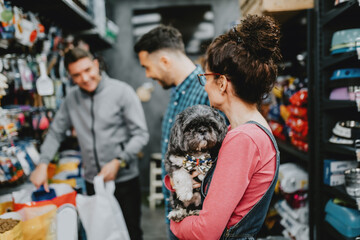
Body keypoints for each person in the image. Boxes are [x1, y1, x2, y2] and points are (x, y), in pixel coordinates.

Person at [169, 15, 281, 239]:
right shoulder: (247, 130)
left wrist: (174, 224)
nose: (205, 85)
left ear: (221, 83)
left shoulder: (243, 139)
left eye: (206, 77)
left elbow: (206, 232)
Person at [30, 47, 149, 240]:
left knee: (130, 232)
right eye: (76, 75)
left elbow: (141, 134)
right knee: (100, 233)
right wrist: (43, 163)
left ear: (96, 65)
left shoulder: (122, 92)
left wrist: (120, 160)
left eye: (87, 70)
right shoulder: (72, 99)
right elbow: (55, 133)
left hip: (125, 180)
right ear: (70, 76)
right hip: (93, 182)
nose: (85, 78)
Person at [134, 25, 209, 239]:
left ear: (165, 61)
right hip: (177, 209)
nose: (148, 75)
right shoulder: (177, 91)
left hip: (197, 216)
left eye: (147, 67)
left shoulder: (206, 91)